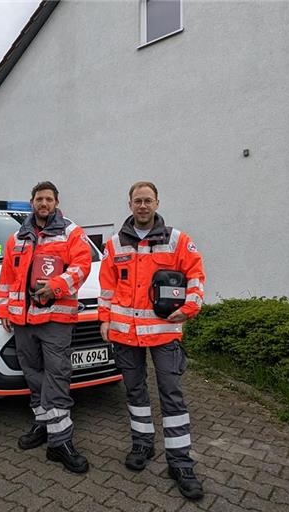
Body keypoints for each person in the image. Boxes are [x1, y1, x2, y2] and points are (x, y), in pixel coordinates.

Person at [98, 181, 206, 500]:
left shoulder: (177, 240)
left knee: (171, 395)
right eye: (137, 201)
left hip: (163, 333)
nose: (142, 206)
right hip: (124, 333)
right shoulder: (115, 244)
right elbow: (107, 287)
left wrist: (190, 307)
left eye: (148, 200)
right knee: (134, 391)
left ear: (157, 203)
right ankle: (142, 444)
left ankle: (180, 463)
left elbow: (196, 275)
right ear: (129, 205)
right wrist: (104, 320)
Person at [0, 181, 92, 473]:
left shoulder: (71, 233)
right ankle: (43, 424)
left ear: (56, 202)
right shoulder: (17, 238)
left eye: (49, 199)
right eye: (39, 199)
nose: (44, 203)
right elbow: (7, 276)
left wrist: (55, 287)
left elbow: (82, 266)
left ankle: (60, 441)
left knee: (57, 375)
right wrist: (4, 308)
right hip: (23, 320)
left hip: (55, 319)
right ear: (32, 202)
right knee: (33, 373)